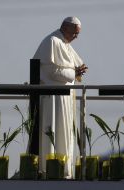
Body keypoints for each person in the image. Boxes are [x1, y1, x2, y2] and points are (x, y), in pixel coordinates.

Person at [33, 16, 87, 179]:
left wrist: (79, 71)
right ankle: (48, 169)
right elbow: (51, 71)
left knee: (65, 134)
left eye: (78, 34)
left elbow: (76, 66)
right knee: (53, 131)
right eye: (75, 33)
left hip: (65, 98)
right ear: (65, 27)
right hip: (52, 98)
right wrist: (74, 72)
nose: (76, 37)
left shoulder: (65, 44)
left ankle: (65, 170)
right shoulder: (52, 41)